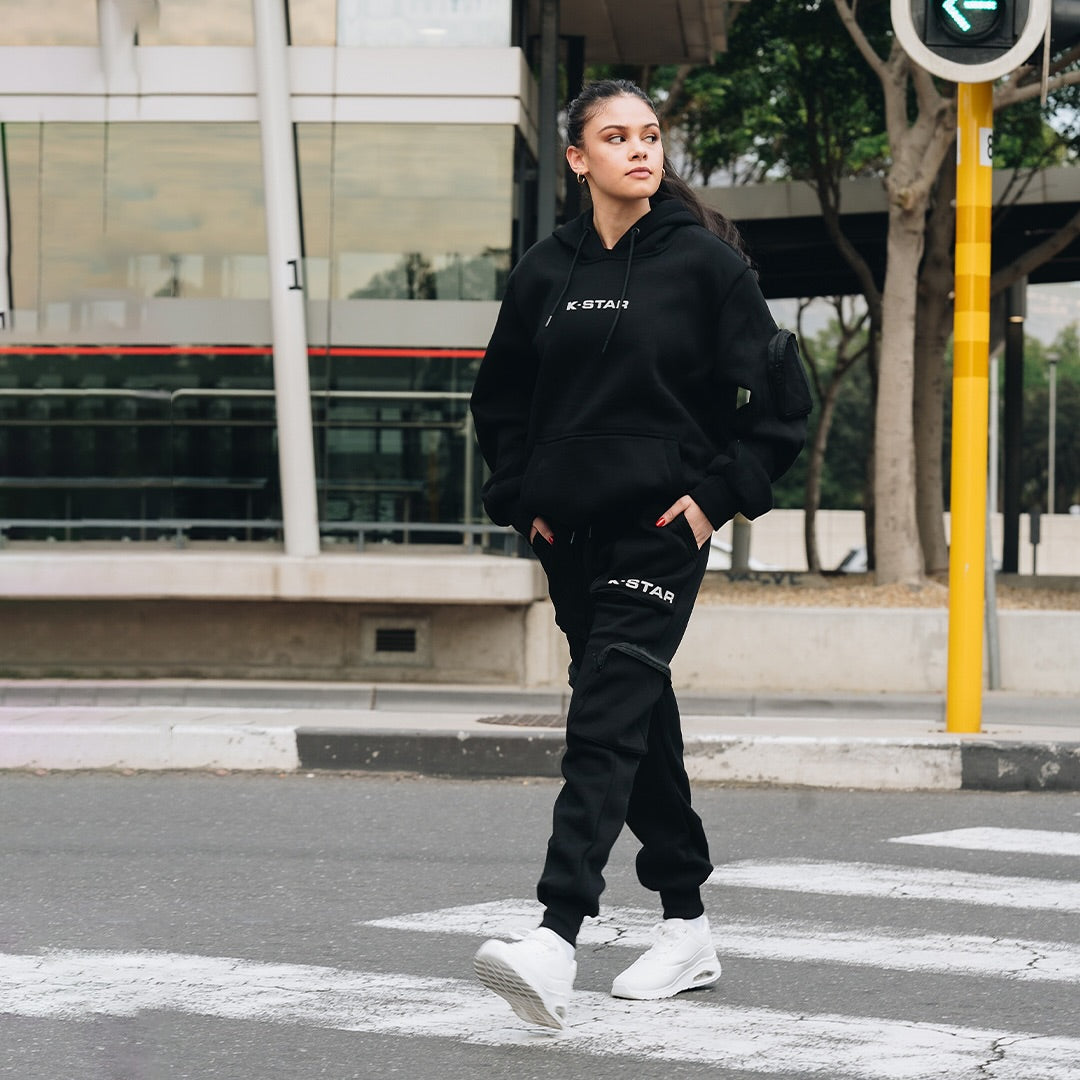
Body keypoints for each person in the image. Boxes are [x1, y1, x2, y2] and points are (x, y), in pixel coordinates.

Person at [468, 79, 810, 1030]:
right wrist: (520, 499)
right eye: (616, 137)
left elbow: (781, 406)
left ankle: (555, 934)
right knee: (636, 717)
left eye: (650, 135)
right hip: (570, 536)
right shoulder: (544, 271)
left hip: (659, 533)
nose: (640, 150)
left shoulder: (706, 267)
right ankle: (687, 926)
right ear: (579, 159)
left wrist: (712, 502)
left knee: (602, 718)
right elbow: (500, 400)